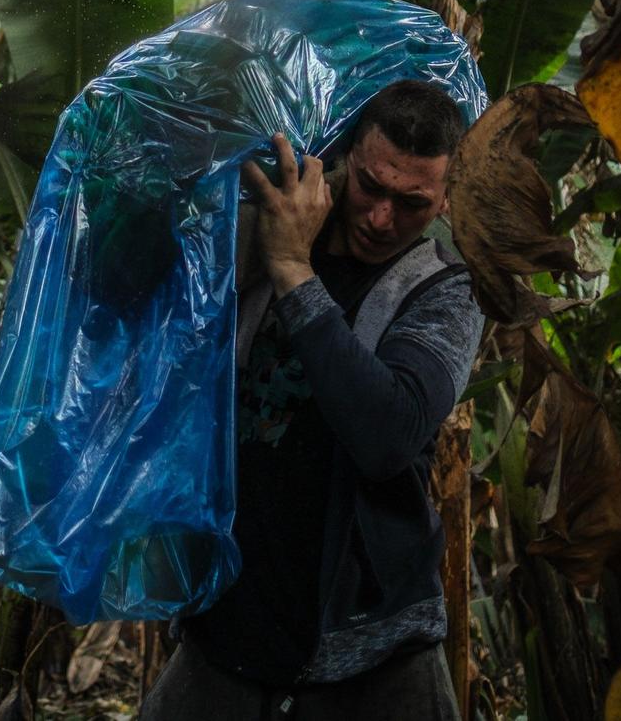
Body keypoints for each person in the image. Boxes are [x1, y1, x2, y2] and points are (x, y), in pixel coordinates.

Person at [141, 79, 481, 720]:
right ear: (346, 159)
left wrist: (294, 271)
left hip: (375, 644)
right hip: (230, 625)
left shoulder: (446, 290)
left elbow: (388, 435)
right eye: (372, 188)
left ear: (443, 201)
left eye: (411, 203)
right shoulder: (259, 236)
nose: (382, 218)